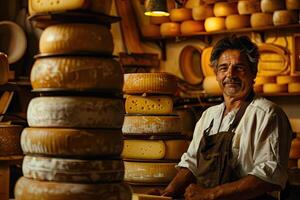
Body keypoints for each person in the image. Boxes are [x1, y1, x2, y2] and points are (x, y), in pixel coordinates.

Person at [149, 35, 292, 199]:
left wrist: (211, 194)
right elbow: (191, 163)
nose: (230, 74)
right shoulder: (208, 116)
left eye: (239, 67)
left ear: (253, 72)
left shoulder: (268, 114)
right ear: (216, 74)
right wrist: (167, 193)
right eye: (223, 68)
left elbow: (269, 176)